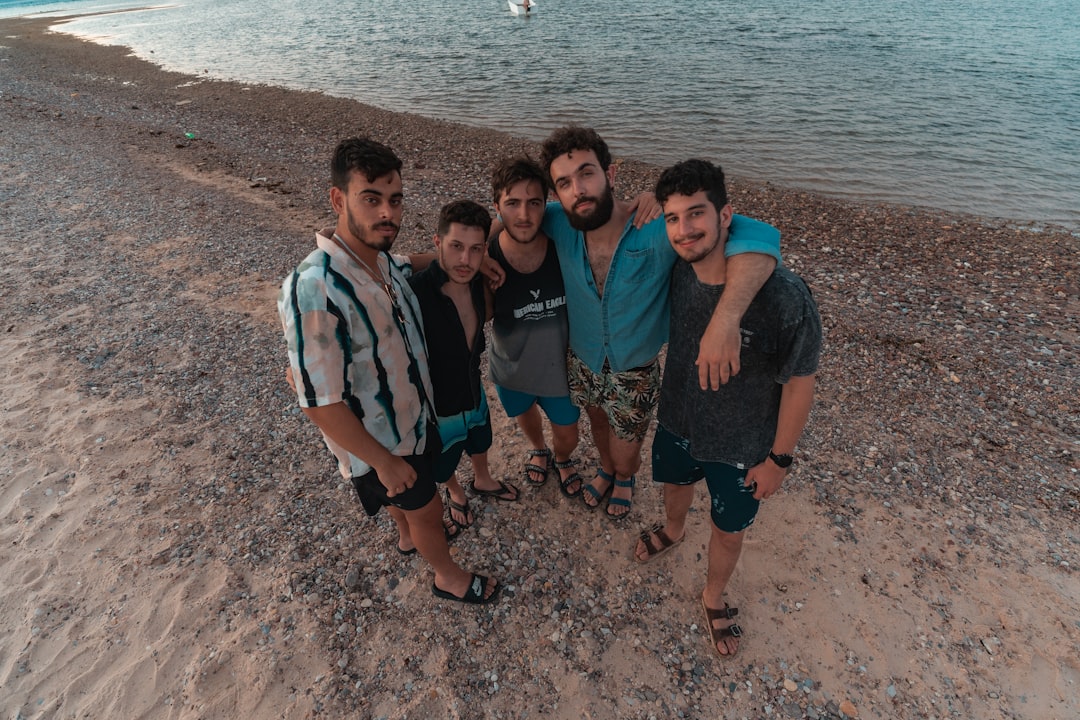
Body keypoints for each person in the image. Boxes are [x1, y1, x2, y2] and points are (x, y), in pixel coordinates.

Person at [278, 137, 498, 604]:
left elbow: (412, 261)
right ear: (338, 199)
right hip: (383, 441)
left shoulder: (380, 263)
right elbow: (319, 400)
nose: (387, 213)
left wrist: (470, 264)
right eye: (371, 199)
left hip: (413, 420)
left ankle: (404, 536)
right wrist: (383, 462)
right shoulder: (315, 286)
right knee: (427, 508)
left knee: (407, 511)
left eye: (395, 200)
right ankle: (447, 576)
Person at [537, 126, 782, 519]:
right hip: (580, 357)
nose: (578, 189)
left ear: (610, 175)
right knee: (597, 420)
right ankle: (605, 469)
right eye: (564, 182)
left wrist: (726, 320)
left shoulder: (657, 228)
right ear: (556, 194)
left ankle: (624, 477)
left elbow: (761, 235)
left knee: (627, 446)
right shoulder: (558, 223)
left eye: (587, 173)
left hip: (635, 367)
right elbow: (507, 216)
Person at [633, 159, 821, 657]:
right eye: (673, 217)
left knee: (728, 530)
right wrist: (645, 204)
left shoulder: (784, 296)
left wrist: (779, 459)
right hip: (678, 417)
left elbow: (801, 382)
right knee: (674, 486)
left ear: (726, 216)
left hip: (742, 445)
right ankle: (673, 530)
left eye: (697, 214)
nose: (684, 229)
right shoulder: (676, 267)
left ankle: (713, 595)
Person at [408, 199, 519, 536]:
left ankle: (483, 479)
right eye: (455, 247)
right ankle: (456, 492)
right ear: (437, 243)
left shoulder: (477, 280)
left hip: (473, 386)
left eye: (474, 250)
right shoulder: (414, 292)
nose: (464, 260)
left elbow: (501, 225)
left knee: (480, 437)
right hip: (437, 403)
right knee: (443, 461)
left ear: (484, 249)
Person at [487, 157, 583, 497]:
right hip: (512, 366)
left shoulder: (566, 245)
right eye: (512, 203)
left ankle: (561, 457)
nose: (524, 215)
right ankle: (539, 449)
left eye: (534, 203)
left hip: (562, 371)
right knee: (524, 413)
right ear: (497, 206)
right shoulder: (485, 257)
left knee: (569, 433)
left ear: (547, 204)